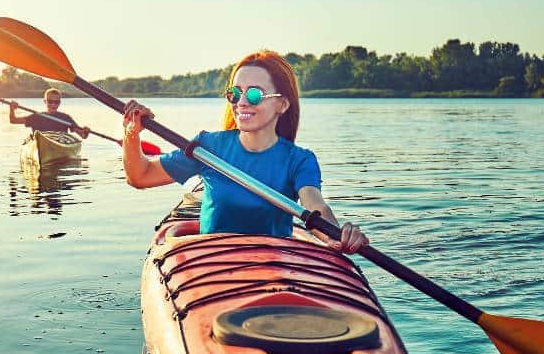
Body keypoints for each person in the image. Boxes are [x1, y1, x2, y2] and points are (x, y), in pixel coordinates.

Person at [121, 50, 368, 254]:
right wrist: (131, 134)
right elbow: (141, 176)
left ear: (282, 104)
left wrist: (339, 234)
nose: (241, 102)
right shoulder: (208, 147)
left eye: (254, 94)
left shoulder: (299, 160)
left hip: (274, 269)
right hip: (211, 265)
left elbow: (316, 207)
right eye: (235, 93)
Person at [10, 88, 90, 139]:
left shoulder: (65, 118)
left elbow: (82, 136)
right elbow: (13, 120)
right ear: (45, 101)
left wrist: (85, 131)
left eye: (56, 102)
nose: (53, 104)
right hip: (39, 141)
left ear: (59, 103)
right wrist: (12, 109)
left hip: (59, 143)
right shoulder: (36, 116)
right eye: (50, 101)